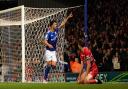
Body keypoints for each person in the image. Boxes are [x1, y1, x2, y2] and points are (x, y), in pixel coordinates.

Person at [41, 13, 73, 83]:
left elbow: (62, 24)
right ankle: (44, 79)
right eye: (55, 24)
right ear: (52, 25)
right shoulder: (48, 33)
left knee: (54, 66)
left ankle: (47, 63)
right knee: (49, 65)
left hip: (54, 51)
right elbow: (44, 41)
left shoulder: (56, 31)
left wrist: (68, 17)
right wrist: (48, 44)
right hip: (48, 51)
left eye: (56, 24)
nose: (56, 25)